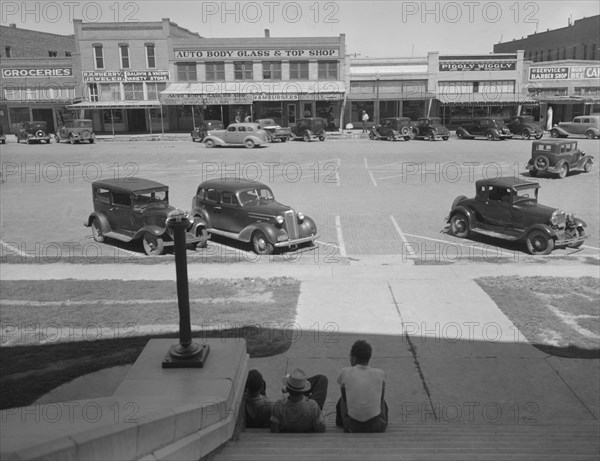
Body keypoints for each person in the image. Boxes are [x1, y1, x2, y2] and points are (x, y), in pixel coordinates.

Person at [336, 339, 388, 433]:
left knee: (342, 398)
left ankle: (341, 422)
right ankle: (382, 420)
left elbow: (345, 398)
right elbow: (381, 400)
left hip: (352, 427)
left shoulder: (345, 372)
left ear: (354, 358)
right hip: (378, 426)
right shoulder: (380, 373)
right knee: (381, 397)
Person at [270, 368, 328, 433]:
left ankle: (293, 384)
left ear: (288, 389)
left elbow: (274, 431)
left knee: (322, 379)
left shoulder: (277, 406)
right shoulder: (313, 406)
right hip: (308, 412)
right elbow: (320, 430)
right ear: (304, 390)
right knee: (322, 379)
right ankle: (299, 384)